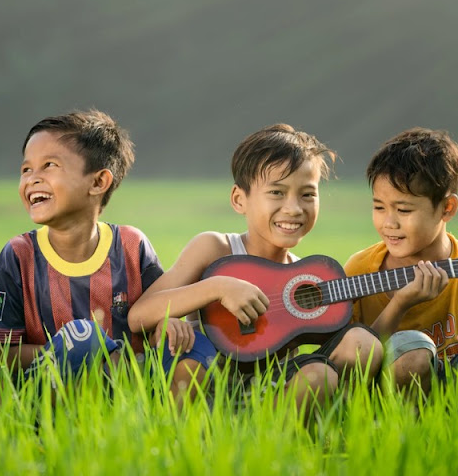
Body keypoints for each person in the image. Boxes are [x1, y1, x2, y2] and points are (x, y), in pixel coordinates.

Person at [128, 124, 383, 412]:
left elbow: (352, 348)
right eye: (277, 192)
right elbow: (139, 315)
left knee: (356, 346)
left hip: (275, 393)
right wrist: (218, 287)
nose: (294, 208)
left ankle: (311, 433)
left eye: (307, 195)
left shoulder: (304, 276)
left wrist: (404, 298)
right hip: (212, 387)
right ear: (240, 199)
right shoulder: (216, 248)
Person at [0, 110, 216, 401]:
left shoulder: (132, 245)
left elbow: (155, 316)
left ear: (98, 182)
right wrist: (87, 350)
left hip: (129, 383)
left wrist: (167, 326)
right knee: (84, 336)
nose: (33, 179)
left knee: (197, 345)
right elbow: (0, 352)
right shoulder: (19, 255)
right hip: (51, 391)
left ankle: (165, 427)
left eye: (49, 166)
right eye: (26, 170)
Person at [344, 127, 458, 393]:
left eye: (403, 209)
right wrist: (401, 303)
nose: (388, 223)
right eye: (379, 207)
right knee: (412, 357)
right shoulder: (359, 269)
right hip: (383, 392)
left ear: (447, 208)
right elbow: (352, 365)